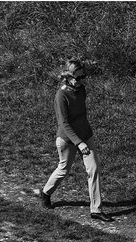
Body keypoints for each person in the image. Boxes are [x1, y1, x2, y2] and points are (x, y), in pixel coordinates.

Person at [37, 58, 113, 222]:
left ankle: (96, 210)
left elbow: (81, 116)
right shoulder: (61, 95)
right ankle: (46, 193)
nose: (81, 81)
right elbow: (64, 124)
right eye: (77, 78)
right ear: (68, 76)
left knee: (94, 168)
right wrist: (79, 142)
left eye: (83, 76)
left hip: (85, 135)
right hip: (67, 139)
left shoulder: (81, 90)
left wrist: (85, 138)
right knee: (63, 169)